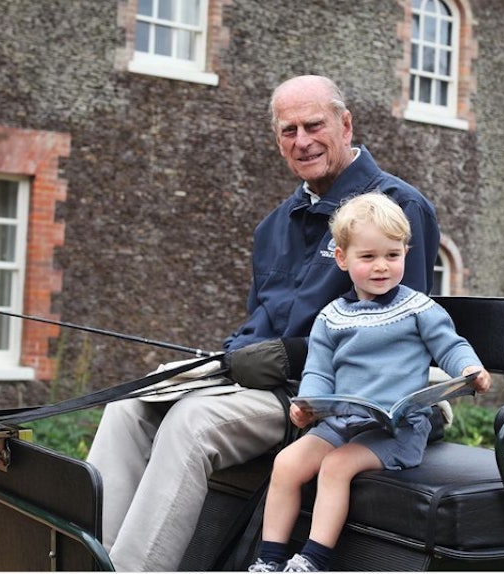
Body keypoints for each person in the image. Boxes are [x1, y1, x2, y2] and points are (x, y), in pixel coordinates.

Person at [86, 75, 440, 571]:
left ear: (345, 124)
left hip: (331, 400)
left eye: (313, 125)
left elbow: (402, 331)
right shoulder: (274, 225)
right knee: (131, 405)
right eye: (288, 130)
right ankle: (87, 561)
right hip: (260, 384)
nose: (302, 141)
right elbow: (259, 324)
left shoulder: (398, 208)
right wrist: (217, 362)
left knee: (192, 423)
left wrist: (288, 357)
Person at [247, 193, 492, 573]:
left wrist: (469, 370)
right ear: (343, 259)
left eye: (392, 256)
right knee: (287, 463)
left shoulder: (418, 308)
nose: (381, 267)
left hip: (397, 430)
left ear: (405, 254)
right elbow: (318, 371)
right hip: (342, 423)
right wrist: (307, 404)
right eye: (368, 257)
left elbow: (450, 346)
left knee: (336, 466)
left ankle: (313, 560)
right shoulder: (332, 317)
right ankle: (269, 559)